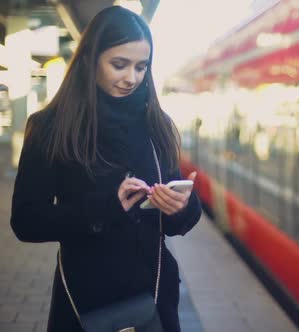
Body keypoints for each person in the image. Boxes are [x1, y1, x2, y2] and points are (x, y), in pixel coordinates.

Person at [10, 6, 202, 331]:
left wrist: (181, 206)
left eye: (142, 67)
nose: (132, 78)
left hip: (154, 298)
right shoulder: (50, 128)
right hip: (85, 302)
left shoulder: (158, 125)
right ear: (90, 59)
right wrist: (105, 208)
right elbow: (26, 222)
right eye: (119, 65)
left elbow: (176, 219)